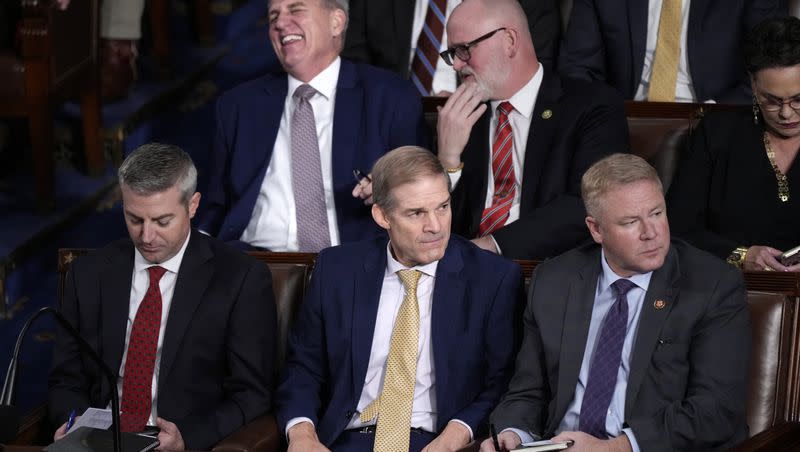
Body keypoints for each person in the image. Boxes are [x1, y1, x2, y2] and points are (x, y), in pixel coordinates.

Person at [481, 153, 750, 452]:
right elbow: (527, 392)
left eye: (657, 213)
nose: (651, 233)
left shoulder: (712, 285)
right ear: (596, 229)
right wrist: (514, 433)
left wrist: (617, 447)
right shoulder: (554, 281)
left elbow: (716, 410)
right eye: (631, 222)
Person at [276, 146, 524, 452]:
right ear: (382, 216)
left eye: (443, 207)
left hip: (437, 441)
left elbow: (502, 383)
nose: (435, 226)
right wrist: (302, 435)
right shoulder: (337, 270)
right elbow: (304, 367)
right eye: (416, 213)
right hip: (344, 439)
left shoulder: (493, 279)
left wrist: (455, 436)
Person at [48, 143, 276, 451]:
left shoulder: (240, 278)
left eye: (162, 221)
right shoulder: (88, 274)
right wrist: (71, 422)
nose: (146, 236)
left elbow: (252, 394)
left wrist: (189, 439)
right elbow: (66, 379)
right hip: (97, 441)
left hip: (178, 441)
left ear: (193, 205)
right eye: (134, 219)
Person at [200, 0, 429, 252]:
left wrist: (391, 188)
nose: (280, 23)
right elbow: (214, 208)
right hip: (253, 266)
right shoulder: (237, 106)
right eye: (273, 15)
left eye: (295, 10)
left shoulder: (390, 97)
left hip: (353, 266)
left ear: (336, 22)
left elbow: (422, 191)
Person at [436, 0, 628, 260]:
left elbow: (588, 204)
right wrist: (448, 161)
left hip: (550, 271)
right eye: (452, 54)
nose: (457, 65)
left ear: (510, 41)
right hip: (463, 272)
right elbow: (441, 225)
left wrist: (491, 246)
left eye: (464, 49)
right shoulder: (458, 116)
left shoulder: (592, 105)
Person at [667, 17, 800, 272]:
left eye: (798, 99)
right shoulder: (718, 133)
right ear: (753, 85)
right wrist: (741, 256)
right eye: (771, 100)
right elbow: (677, 228)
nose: (786, 113)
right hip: (728, 288)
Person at [558, 0, 785, 103]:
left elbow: (770, 67)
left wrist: (715, 112)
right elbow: (578, 68)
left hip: (720, 115)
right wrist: (605, 114)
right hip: (624, 115)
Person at [342, 0, 562, 96]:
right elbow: (354, 68)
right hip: (394, 117)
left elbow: (535, 71)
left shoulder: (520, 4)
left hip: (483, 118)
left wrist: (474, 98)